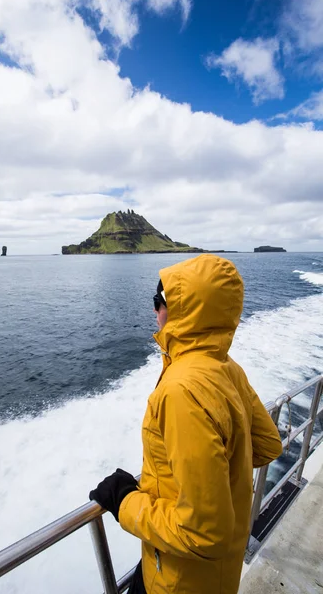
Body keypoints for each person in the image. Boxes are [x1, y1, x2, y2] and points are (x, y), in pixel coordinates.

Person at [89, 254, 283, 594]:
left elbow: (205, 533)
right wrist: (215, 475)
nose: (154, 311)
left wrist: (124, 502)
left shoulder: (181, 390)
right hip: (220, 573)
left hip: (180, 580)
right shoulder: (225, 368)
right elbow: (268, 445)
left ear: (182, 311)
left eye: (159, 302)